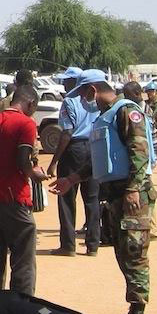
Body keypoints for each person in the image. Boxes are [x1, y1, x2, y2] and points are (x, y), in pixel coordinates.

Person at [50, 71, 157, 314]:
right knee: (123, 254)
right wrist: (72, 178)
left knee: (135, 256)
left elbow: (140, 152)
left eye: (86, 95)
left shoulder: (127, 112)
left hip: (132, 197)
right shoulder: (105, 116)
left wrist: (134, 188)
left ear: (93, 89)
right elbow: (100, 160)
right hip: (116, 197)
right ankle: (133, 312)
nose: (86, 101)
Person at [0, 85, 48, 300]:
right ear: (30, 103)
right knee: (23, 257)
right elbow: (22, 159)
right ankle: (21, 308)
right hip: (14, 195)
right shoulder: (26, 124)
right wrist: (33, 174)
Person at [46, 67, 102, 256]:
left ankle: (68, 245)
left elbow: (67, 133)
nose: (64, 83)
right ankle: (93, 244)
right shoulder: (98, 100)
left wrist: (54, 161)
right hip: (94, 147)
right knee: (92, 198)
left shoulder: (69, 101)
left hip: (74, 149)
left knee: (66, 198)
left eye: (67, 80)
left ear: (75, 81)